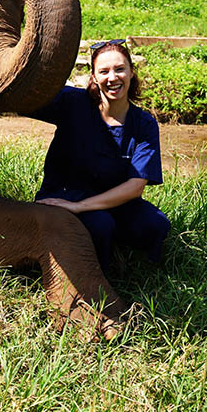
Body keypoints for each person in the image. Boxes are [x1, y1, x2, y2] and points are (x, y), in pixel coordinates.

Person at [26, 39, 170, 273]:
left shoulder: (143, 123)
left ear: (132, 73)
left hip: (111, 200)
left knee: (156, 225)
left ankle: (139, 269)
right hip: (65, 195)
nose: (112, 78)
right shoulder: (73, 103)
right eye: (103, 71)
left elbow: (135, 186)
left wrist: (80, 207)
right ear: (93, 77)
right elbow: (28, 98)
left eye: (120, 69)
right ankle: (97, 276)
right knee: (101, 225)